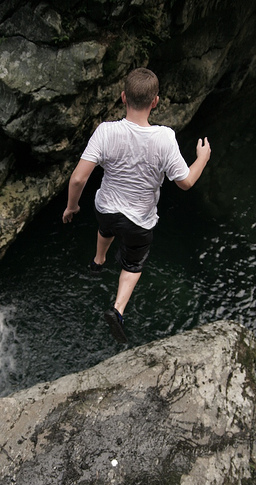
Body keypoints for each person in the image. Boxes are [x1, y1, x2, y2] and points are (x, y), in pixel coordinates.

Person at [62, 67, 211, 343]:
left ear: (122, 98)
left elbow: (78, 178)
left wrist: (72, 207)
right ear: (155, 102)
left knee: (106, 229)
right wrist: (202, 156)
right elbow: (186, 182)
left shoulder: (106, 131)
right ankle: (117, 310)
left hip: (106, 209)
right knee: (132, 264)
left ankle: (98, 261)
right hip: (139, 221)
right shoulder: (164, 138)